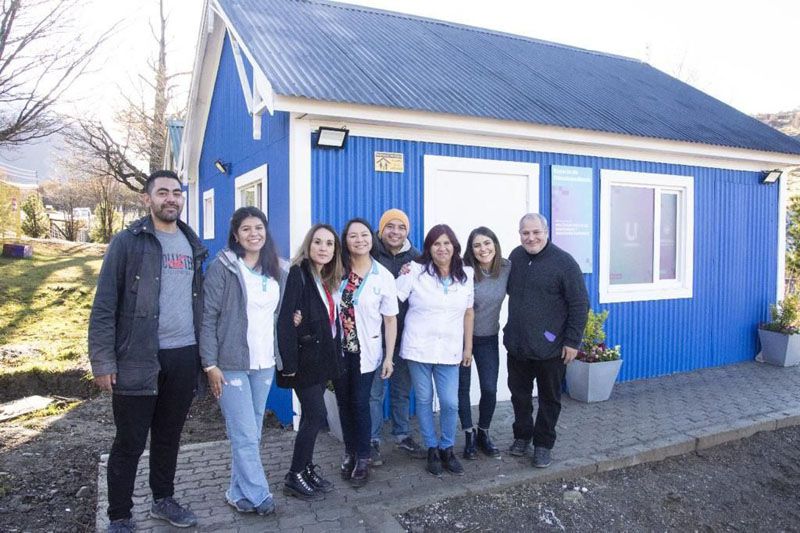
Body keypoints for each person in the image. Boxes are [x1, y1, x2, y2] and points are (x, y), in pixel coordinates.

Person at [89, 170, 206, 532]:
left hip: (184, 355)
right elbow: (105, 305)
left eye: (176, 193)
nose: (171, 198)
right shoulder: (128, 242)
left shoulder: (192, 243)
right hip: (138, 357)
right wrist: (103, 360)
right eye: (163, 193)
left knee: (169, 435)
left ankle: (163, 500)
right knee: (130, 441)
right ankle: (119, 515)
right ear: (147, 198)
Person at [200, 207, 286, 516]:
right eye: (247, 229)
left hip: (263, 363)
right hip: (230, 363)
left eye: (259, 227)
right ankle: (260, 494)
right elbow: (207, 318)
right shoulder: (223, 267)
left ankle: (237, 493)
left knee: (251, 433)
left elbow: (280, 313)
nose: (254, 234)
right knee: (245, 433)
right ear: (236, 235)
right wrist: (210, 365)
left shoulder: (276, 269)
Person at [503, 213, 589, 468]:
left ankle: (543, 445)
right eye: (525, 233)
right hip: (517, 345)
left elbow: (580, 304)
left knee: (549, 399)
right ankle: (522, 436)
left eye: (536, 232)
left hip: (551, 349)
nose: (531, 238)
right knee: (519, 396)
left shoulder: (565, 263)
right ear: (519, 234)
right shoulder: (516, 257)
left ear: (546, 232)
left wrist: (572, 342)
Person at [396, 224, 474, 477]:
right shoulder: (416, 271)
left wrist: (468, 347)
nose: (442, 248)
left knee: (450, 403)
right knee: (424, 400)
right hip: (418, 348)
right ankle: (431, 447)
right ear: (429, 248)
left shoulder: (466, 275)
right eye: (436, 243)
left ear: (454, 247)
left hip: (450, 350)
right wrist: (399, 273)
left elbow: (468, 312)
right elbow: (393, 295)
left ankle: (447, 448)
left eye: (447, 243)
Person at [277, 223, 344, 500]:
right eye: (318, 242)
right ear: (308, 244)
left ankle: (305, 469)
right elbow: (285, 320)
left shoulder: (324, 277)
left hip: (319, 361)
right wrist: (289, 365)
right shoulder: (298, 273)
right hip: (302, 362)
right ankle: (294, 475)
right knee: (316, 415)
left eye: (329, 244)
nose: (323, 248)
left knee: (312, 417)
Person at [335, 218, 399, 486]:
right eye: (353, 236)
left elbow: (390, 319)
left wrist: (388, 357)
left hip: (366, 351)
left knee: (360, 403)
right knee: (343, 404)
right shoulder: (335, 270)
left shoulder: (382, 275)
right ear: (345, 240)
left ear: (372, 239)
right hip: (338, 351)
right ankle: (349, 452)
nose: (359, 240)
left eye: (364, 235)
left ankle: (363, 457)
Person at [368, 208, 425, 464]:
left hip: (404, 336)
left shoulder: (416, 259)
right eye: (390, 226)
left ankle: (402, 435)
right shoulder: (368, 252)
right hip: (373, 336)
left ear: (407, 231)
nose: (395, 232)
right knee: (374, 393)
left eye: (401, 227)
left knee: (402, 390)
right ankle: (372, 440)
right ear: (381, 229)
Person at [459, 227, 510, 459]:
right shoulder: (463, 271)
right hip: (460, 340)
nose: (483, 249)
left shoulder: (507, 268)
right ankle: (468, 435)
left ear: (495, 244)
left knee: (489, 388)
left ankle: (483, 432)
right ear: (471, 250)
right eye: (477, 245)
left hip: (488, 338)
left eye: (487, 243)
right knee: (462, 389)